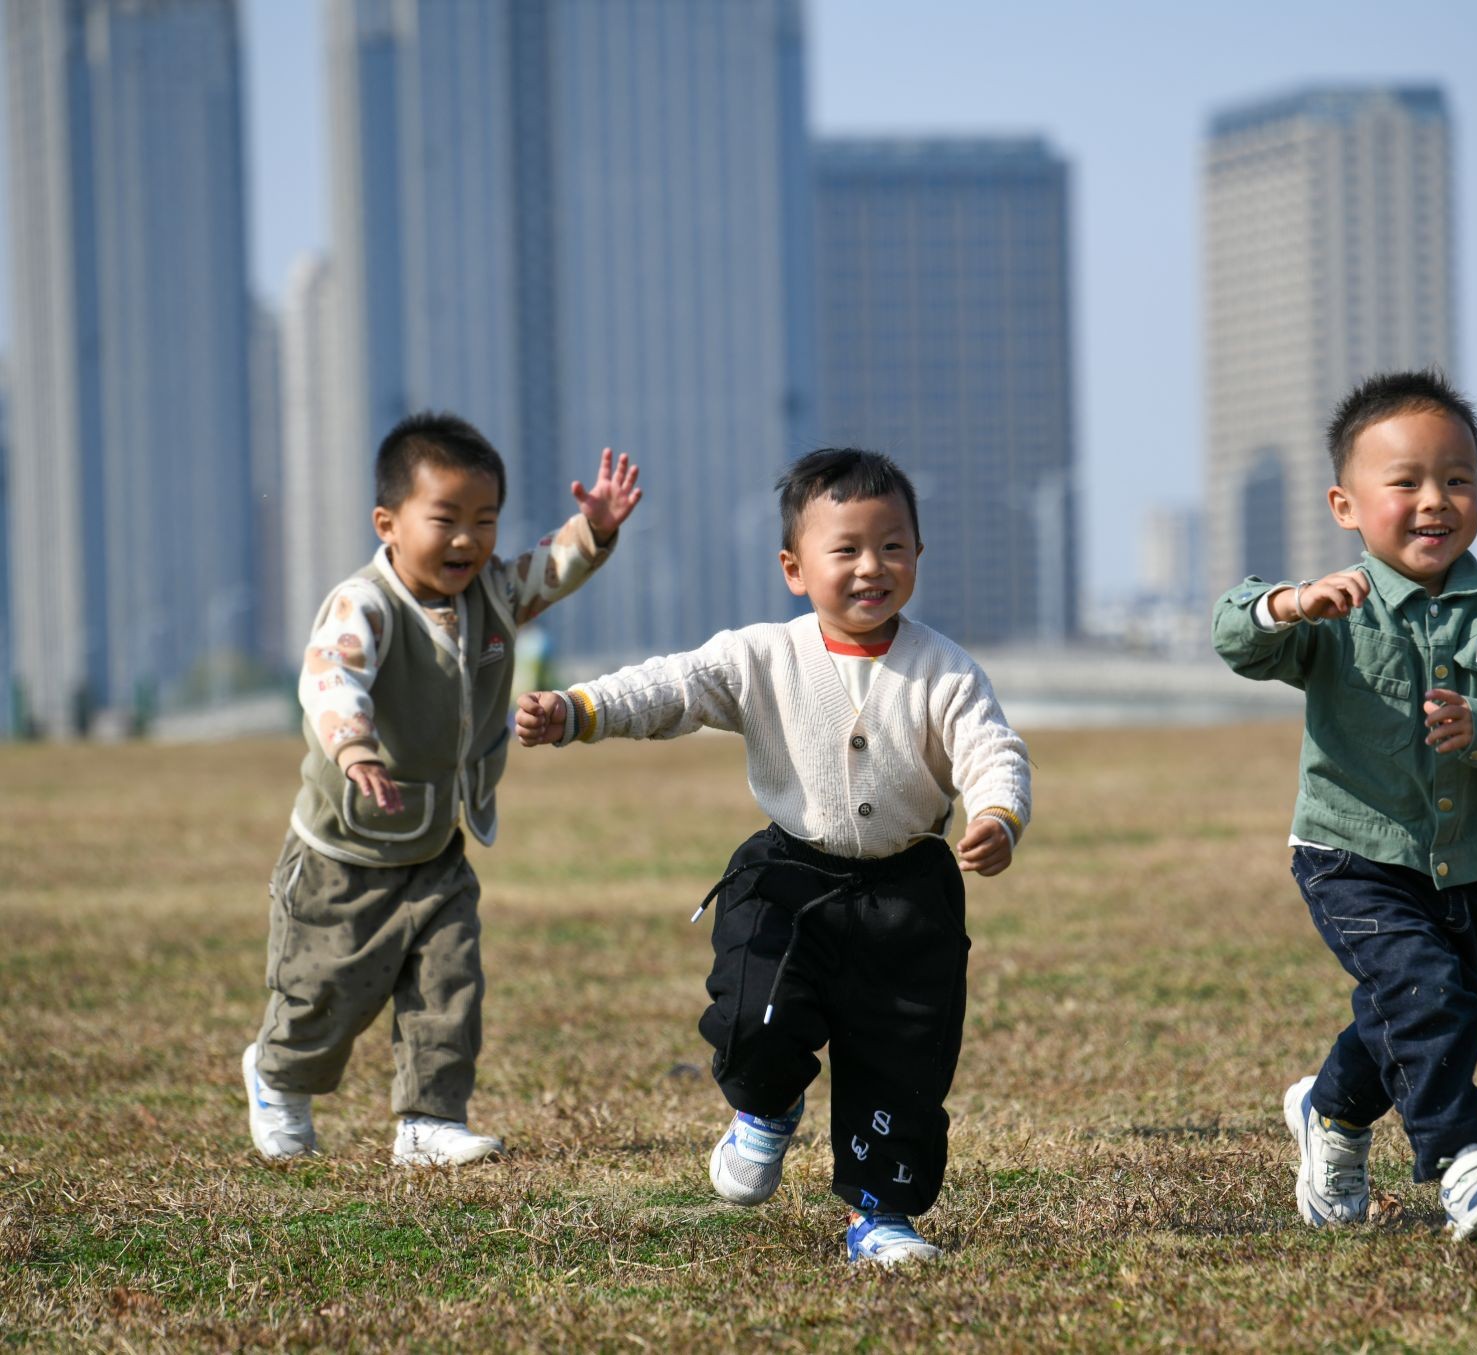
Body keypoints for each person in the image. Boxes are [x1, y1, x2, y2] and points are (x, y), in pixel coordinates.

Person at [515, 448, 1031, 1266]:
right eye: (847, 549)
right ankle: (765, 1105)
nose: (873, 567)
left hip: (908, 896)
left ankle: (881, 1214)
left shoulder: (945, 670)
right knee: (756, 1009)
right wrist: (579, 709)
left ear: (919, 556)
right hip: (788, 877)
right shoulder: (762, 656)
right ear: (795, 568)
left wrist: (999, 815)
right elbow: (669, 689)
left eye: (893, 546)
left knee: (903, 1057)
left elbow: (992, 750)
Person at [1212, 369, 1477, 1241]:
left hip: (1464, 856)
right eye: (1406, 482)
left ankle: (1331, 1115)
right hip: (1350, 852)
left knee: (1424, 1003)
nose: (1435, 502)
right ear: (1346, 504)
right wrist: (1286, 602)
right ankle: (1461, 1161)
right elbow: (1237, 636)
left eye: (1457, 481)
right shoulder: (1338, 606)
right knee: (1425, 995)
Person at [243, 412, 641, 1167]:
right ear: (388, 523)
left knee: (449, 978)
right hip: (344, 850)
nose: (468, 539)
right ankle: (277, 1077)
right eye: (446, 519)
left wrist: (592, 532)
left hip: (434, 841)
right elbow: (331, 674)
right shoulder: (364, 602)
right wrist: (354, 745)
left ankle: (428, 1118)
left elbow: (546, 570)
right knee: (325, 992)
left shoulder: (491, 592)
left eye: (484, 520)